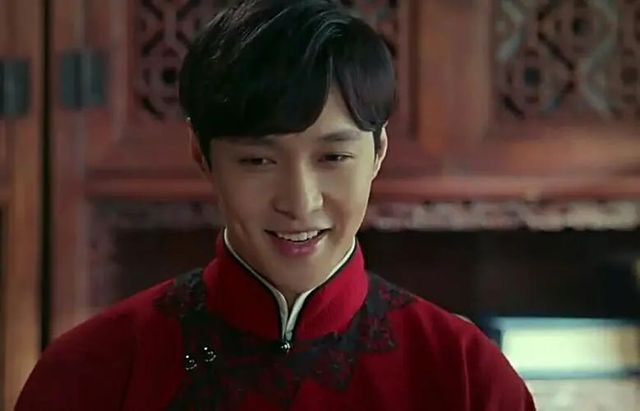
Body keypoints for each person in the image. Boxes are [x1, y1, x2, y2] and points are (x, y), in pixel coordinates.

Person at [16, 0, 536, 410]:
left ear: (378, 151)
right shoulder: (90, 373)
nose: (299, 201)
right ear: (202, 155)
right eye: (258, 161)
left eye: (333, 157)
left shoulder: (466, 376)